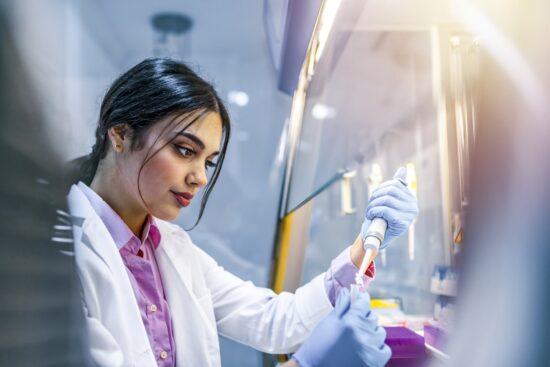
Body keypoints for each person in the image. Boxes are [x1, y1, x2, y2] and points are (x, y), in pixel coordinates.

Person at [68, 58, 418, 366]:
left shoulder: (171, 247)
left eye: (208, 161)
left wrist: (366, 242)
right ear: (121, 134)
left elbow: (274, 320)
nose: (201, 178)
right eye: (185, 150)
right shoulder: (63, 250)